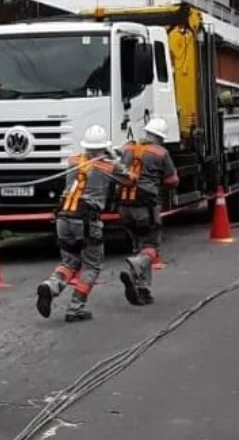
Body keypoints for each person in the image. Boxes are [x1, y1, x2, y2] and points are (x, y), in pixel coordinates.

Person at [35, 124, 134, 323]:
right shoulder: (108, 166)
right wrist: (115, 159)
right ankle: (75, 308)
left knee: (69, 261)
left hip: (63, 216)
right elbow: (130, 180)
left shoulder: (73, 160)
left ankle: (51, 286)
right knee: (92, 265)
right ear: (103, 147)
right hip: (87, 220)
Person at [117, 117, 179, 306]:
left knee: (139, 246)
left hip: (124, 206)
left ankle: (142, 289)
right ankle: (135, 266)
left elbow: (116, 166)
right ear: (160, 137)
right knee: (151, 245)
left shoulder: (128, 147)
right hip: (146, 207)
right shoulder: (161, 153)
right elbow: (172, 180)